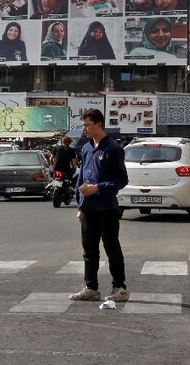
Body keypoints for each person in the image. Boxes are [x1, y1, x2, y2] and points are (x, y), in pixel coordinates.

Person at [69, 108, 129, 303]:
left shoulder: (112, 148)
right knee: (89, 250)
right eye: (84, 125)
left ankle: (119, 287)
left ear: (99, 124)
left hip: (107, 208)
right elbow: (81, 177)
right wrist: (80, 206)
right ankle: (91, 287)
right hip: (88, 209)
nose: (84, 129)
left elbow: (121, 180)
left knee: (112, 248)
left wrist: (98, 188)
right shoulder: (86, 148)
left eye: (87, 125)